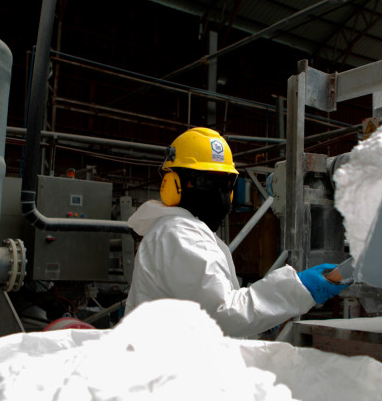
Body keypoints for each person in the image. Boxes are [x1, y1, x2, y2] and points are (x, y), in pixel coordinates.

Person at [125, 127, 348, 338]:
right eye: (205, 180)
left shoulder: (183, 230)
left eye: (225, 182)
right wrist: (297, 288)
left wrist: (273, 311)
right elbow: (222, 315)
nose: (219, 192)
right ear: (173, 183)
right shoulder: (178, 235)